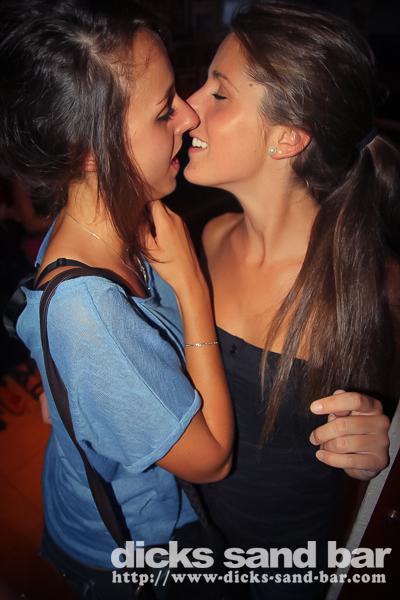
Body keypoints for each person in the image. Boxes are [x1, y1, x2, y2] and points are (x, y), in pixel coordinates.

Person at [0, 1, 234, 598]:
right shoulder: (92, 315)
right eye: (163, 110)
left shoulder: (99, 222)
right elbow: (211, 460)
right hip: (129, 550)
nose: (189, 115)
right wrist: (192, 288)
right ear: (87, 150)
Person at [184, 2, 399, 598]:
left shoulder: (367, 290)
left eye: (219, 93)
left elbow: (372, 439)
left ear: (286, 139)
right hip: (185, 534)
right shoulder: (207, 238)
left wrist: (376, 446)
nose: (188, 107)